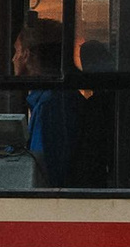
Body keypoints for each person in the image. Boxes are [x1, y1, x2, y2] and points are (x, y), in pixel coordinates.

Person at [11, 16, 82, 186]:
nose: (14, 59)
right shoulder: (58, 97)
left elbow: (41, 171)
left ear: (26, 55)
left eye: (17, 51)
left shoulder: (50, 106)